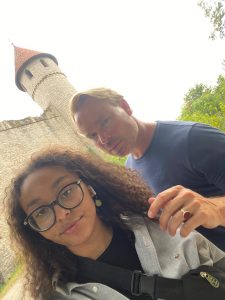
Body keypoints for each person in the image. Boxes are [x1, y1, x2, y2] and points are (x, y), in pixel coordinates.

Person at [5, 147, 225, 300]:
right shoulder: (59, 295)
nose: (61, 214)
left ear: (89, 187)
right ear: (34, 229)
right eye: (41, 212)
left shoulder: (161, 224)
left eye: (67, 191)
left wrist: (217, 213)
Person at [70, 87, 225, 251]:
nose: (103, 139)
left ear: (125, 106)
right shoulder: (130, 167)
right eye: (93, 136)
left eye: (105, 122)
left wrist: (217, 211)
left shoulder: (193, 139)